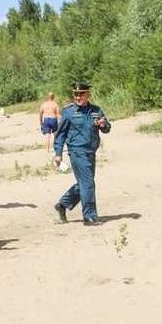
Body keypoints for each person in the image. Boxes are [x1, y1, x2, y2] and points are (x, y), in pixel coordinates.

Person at [53, 82, 112, 226]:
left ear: (87, 94)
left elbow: (107, 129)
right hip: (77, 151)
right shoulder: (69, 112)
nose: (78, 97)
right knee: (88, 183)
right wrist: (58, 153)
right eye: (76, 94)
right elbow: (60, 134)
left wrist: (103, 125)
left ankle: (62, 204)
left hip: (91, 152)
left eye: (81, 94)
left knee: (84, 184)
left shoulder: (96, 110)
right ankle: (90, 217)